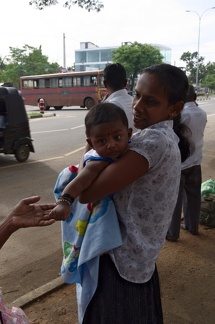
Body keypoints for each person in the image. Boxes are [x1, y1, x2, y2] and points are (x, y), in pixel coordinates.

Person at [70, 63, 191, 324]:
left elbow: (87, 193)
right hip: (137, 257)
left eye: (150, 101)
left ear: (175, 108)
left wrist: (91, 151)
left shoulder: (153, 142)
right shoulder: (157, 137)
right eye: (137, 95)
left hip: (120, 260)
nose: (137, 106)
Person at [49, 102, 132, 221]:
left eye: (117, 137)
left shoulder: (134, 147)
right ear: (91, 144)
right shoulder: (98, 163)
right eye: (102, 142)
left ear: (129, 134)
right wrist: (64, 203)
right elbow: (79, 182)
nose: (111, 145)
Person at [166, 84, 207, 241]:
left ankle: (172, 232)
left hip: (181, 162)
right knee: (194, 196)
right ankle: (192, 226)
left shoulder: (182, 115)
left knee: (176, 198)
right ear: (195, 97)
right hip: (196, 160)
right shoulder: (202, 113)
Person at [103, 63, 133, 128]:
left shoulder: (108, 107)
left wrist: (102, 105)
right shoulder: (135, 102)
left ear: (105, 84)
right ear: (125, 82)